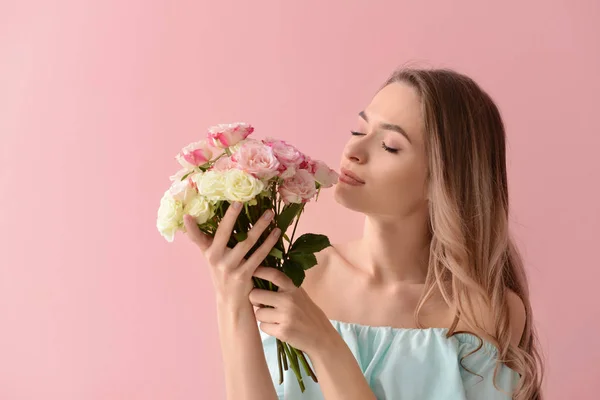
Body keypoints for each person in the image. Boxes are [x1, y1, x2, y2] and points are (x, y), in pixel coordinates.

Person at [183, 67, 545, 399]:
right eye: (358, 130)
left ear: (445, 179)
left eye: (390, 146)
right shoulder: (298, 276)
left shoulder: (486, 311)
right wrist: (230, 298)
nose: (353, 151)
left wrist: (326, 344)